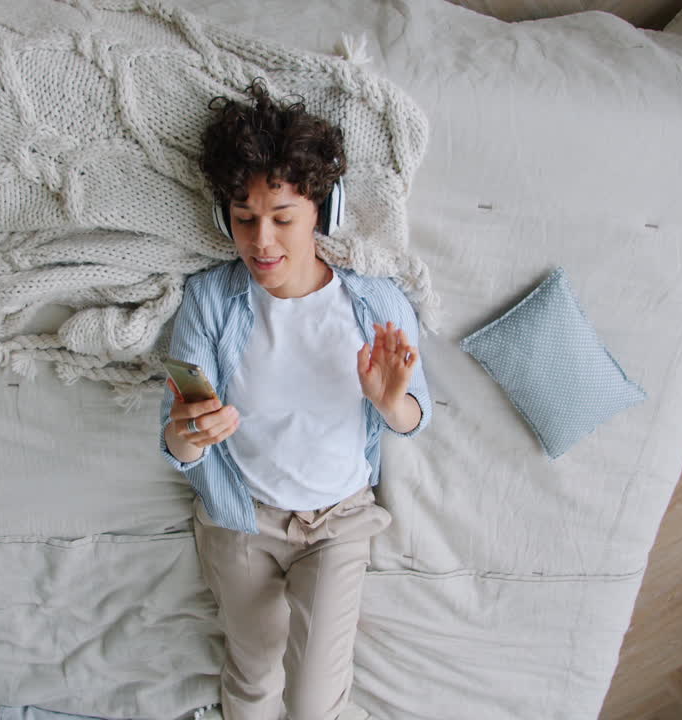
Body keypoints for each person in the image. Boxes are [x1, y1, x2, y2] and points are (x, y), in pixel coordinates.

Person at [157, 78, 432, 720]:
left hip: (337, 523)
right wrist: (189, 433)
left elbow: (415, 416)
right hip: (241, 518)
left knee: (313, 703)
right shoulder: (210, 300)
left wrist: (390, 403)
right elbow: (175, 442)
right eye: (245, 220)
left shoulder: (376, 304)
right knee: (253, 678)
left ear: (321, 212)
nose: (262, 242)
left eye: (283, 219)